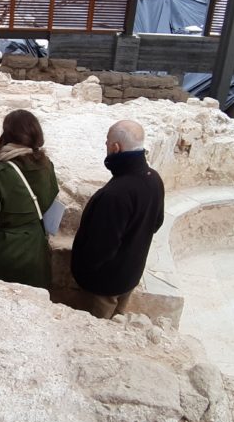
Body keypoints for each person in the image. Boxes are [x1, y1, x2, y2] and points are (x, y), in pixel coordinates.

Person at [70, 120, 165, 319]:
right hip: (131, 274)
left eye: (107, 143)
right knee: (117, 322)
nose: (105, 146)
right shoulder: (154, 179)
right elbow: (156, 223)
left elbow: (100, 248)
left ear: (115, 147)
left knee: (95, 328)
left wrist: (82, 269)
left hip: (104, 284)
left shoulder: (115, 194)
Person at [0, 109, 59, 289]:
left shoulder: (0, 173)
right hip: (35, 253)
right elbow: (51, 197)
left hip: (3, 255)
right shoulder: (46, 165)